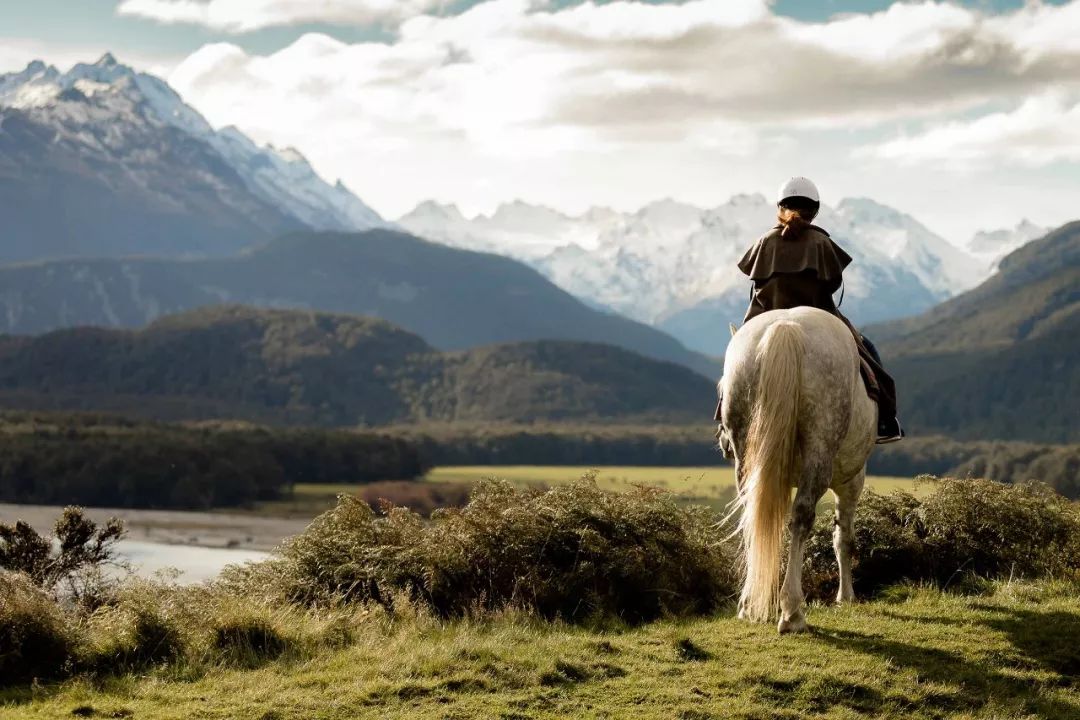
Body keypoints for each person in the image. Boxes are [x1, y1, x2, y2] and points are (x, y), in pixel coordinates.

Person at [715, 176, 904, 444]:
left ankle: (726, 422)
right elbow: (832, 283)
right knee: (868, 352)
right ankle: (886, 421)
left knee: (734, 360)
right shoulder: (822, 244)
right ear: (814, 211)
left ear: (780, 207)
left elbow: (756, 283)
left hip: (763, 315)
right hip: (819, 313)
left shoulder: (763, 243)